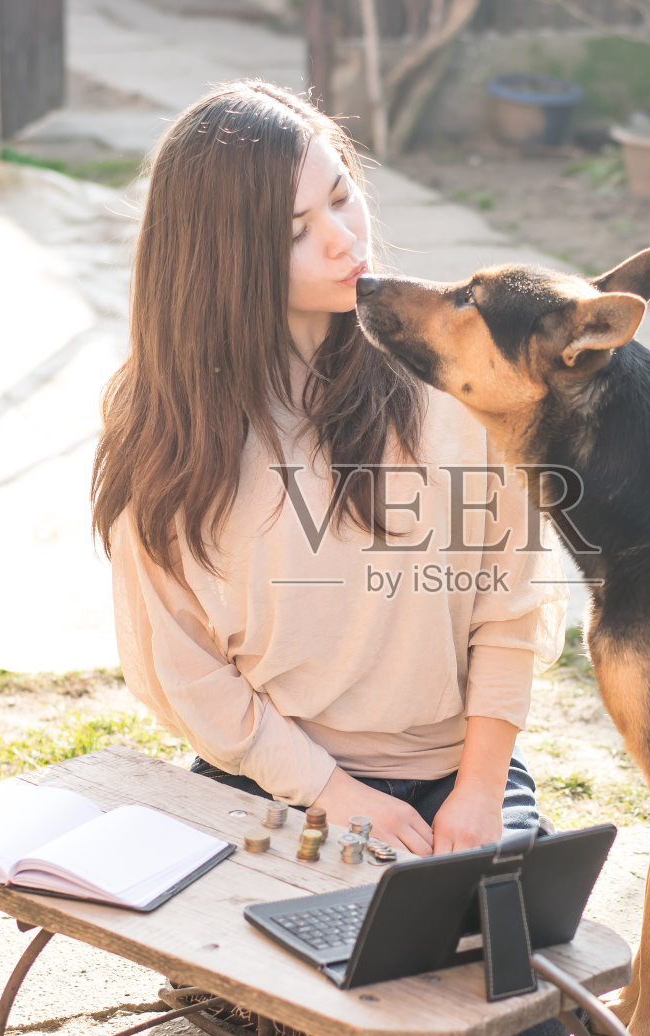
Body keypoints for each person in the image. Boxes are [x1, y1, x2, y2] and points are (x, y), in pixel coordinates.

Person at [91, 80, 568, 868]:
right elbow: (189, 669)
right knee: (267, 974)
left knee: (495, 948)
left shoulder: (455, 372)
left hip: (455, 774)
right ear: (225, 259)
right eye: (297, 231)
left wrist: (480, 789)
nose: (347, 239)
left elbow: (511, 605)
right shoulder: (167, 425)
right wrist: (336, 795)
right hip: (278, 780)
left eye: (344, 197)